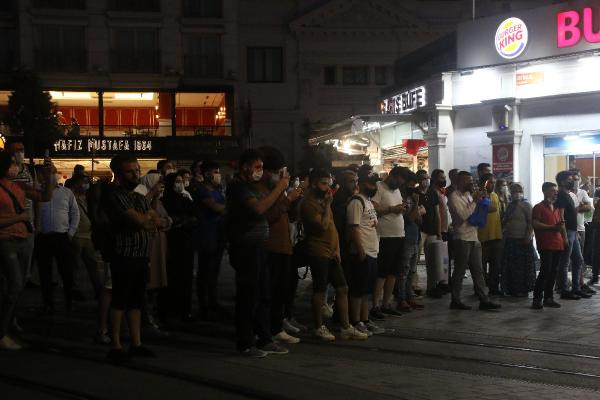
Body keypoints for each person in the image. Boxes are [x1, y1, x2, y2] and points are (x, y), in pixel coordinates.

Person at [225, 149, 289, 358]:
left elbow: (269, 211)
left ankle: (264, 338)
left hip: (260, 247)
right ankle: (245, 342)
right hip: (245, 248)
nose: (260, 172)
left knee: (263, 294)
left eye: (262, 167)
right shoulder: (238, 187)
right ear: (245, 167)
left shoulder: (253, 187)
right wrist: (280, 187)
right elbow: (259, 209)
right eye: (257, 167)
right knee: (248, 296)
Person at [300, 168, 367, 342]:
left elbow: (333, 228)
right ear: (314, 184)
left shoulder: (324, 201)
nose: (327, 188)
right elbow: (322, 226)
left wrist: (336, 249)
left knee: (342, 288)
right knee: (320, 290)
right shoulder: (308, 203)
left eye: (329, 184)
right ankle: (318, 326)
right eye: (323, 184)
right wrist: (328, 205)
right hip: (318, 251)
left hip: (332, 252)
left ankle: (346, 327)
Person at [106, 154, 159, 362]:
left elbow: (155, 219)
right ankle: (116, 345)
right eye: (130, 171)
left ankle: (136, 343)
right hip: (124, 254)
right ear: (118, 174)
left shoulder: (138, 196)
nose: (136, 174)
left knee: (136, 300)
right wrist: (147, 219)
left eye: (137, 170)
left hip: (140, 255)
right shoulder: (116, 195)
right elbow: (141, 221)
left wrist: (149, 219)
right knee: (120, 299)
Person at [0, 152, 52, 350]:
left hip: (21, 237)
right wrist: (20, 217)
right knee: (14, 284)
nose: (16, 166)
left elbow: (45, 196)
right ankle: (3, 331)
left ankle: (8, 323)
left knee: (16, 285)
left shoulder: (19, 186)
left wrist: (49, 177)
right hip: (5, 239)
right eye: (12, 163)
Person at [255, 147, 303, 344]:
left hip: (284, 247)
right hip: (270, 248)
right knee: (269, 293)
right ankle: (268, 331)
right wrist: (285, 199)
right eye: (275, 172)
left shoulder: (276, 190)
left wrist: (292, 200)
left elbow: (287, 215)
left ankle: (277, 326)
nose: (277, 176)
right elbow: (267, 217)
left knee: (281, 291)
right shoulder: (260, 191)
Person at [447, 171, 500, 311]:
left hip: (474, 236)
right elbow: (463, 215)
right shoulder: (453, 197)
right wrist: (476, 201)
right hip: (462, 237)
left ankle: (484, 299)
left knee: (478, 270)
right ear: (459, 182)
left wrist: (484, 200)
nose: (470, 183)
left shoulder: (469, 195)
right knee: (459, 270)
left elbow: (483, 210)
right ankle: (455, 300)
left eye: (471, 180)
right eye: (467, 181)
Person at [36, 165, 80, 315]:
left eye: (53, 172)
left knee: (66, 271)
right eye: (47, 173)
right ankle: (48, 303)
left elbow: (75, 214)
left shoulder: (66, 192)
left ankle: (69, 302)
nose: (51, 175)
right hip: (43, 237)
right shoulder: (37, 193)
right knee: (45, 273)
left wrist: (70, 233)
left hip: (62, 237)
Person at [347, 172, 383, 335]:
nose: (373, 187)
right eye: (370, 184)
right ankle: (355, 321)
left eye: (374, 184)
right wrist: (361, 251)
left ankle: (365, 319)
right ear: (360, 184)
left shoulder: (368, 201)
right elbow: (353, 228)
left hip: (372, 251)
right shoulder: (357, 201)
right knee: (357, 290)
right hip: (362, 253)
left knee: (366, 290)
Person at [135, 172, 171, 334]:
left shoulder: (156, 197)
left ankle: (151, 316)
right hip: (148, 245)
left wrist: (164, 222)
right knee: (147, 282)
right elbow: (150, 218)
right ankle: (145, 319)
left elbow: (164, 219)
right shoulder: (141, 195)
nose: (160, 186)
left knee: (155, 283)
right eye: (158, 183)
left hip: (158, 245)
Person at [161, 172, 197, 321]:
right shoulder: (163, 201)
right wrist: (181, 221)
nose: (180, 184)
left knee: (185, 278)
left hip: (186, 243)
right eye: (177, 181)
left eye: (181, 181)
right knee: (172, 277)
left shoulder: (185, 199)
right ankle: (170, 311)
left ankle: (184, 310)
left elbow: (195, 217)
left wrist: (179, 221)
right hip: (171, 243)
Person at [370, 167, 406, 318]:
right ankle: (375, 305)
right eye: (398, 180)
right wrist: (392, 209)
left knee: (393, 273)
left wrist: (402, 208)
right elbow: (373, 208)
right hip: (385, 236)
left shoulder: (396, 191)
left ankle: (386, 304)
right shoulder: (379, 187)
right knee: (382, 272)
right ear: (392, 176)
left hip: (399, 235)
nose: (399, 184)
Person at [193, 160, 226, 319]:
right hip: (206, 234)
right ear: (206, 174)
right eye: (215, 171)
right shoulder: (201, 190)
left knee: (215, 271)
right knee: (205, 271)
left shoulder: (218, 189)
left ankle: (213, 302)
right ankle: (203, 305)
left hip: (218, 235)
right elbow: (216, 207)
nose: (218, 175)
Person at [70, 175, 103, 309]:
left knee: (92, 266)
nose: (85, 185)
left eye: (86, 182)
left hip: (88, 236)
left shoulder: (91, 198)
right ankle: (74, 290)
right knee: (75, 266)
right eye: (83, 182)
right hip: (77, 236)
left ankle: (98, 291)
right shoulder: (71, 198)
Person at [555, 170, 589, 300]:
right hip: (567, 232)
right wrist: (564, 235)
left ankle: (576, 288)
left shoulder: (568, 195)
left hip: (573, 232)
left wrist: (575, 234)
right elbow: (561, 216)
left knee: (578, 259)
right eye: (570, 179)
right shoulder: (561, 196)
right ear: (563, 181)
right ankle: (564, 290)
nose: (573, 181)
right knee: (564, 262)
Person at [531, 182, 565, 309]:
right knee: (545, 271)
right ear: (544, 191)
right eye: (552, 190)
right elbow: (535, 224)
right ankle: (537, 299)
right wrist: (552, 227)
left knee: (553, 272)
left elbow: (560, 226)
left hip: (558, 244)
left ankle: (549, 298)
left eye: (556, 191)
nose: (555, 193)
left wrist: (564, 237)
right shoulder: (538, 207)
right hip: (545, 244)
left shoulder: (556, 208)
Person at [501, 183, 535, 297]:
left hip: (522, 240)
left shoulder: (526, 205)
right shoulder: (510, 205)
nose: (516, 193)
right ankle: (512, 289)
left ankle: (522, 289)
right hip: (511, 240)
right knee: (512, 267)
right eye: (514, 190)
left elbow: (531, 222)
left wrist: (527, 236)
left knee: (522, 267)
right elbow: (505, 220)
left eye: (519, 190)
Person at [397, 169, 424, 311]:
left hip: (415, 235)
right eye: (411, 184)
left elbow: (419, 220)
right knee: (404, 270)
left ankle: (409, 296)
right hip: (406, 236)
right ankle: (401, 298)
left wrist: (416, 209)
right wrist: (416, 204)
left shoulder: (412, 198)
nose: (413, 187)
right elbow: (409, 219)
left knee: (412, 269)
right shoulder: (401, 198)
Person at [416, 170, 445, 298]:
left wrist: (439, 231)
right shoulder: (415, 193)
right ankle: (414, 286)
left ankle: (432, 286)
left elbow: (437, 213)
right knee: (415, 259)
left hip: (432, 230)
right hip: (420, 230)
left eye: (427, 178)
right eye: (423, 178)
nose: (425, 181)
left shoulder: (432, 193)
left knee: (433, 260)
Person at [478, 173, 503, 295]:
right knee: (481, 266)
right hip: (482, 237)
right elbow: (483, 209)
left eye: (494, 182)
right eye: (490, 182)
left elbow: (497, 211)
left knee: (495, 265)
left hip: (496, 235)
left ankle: (494, 287)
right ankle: (480, 289)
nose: (493, 184)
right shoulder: (478, 195)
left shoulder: (495, 195)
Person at [571, 170, 595, 295]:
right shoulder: (566, 193)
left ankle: (580, 283)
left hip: (581, 229)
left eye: (578, 178)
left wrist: (576, 209)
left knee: (579, 258)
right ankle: (562, 285)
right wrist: (579, 208)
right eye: (574, 178)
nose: (576, 180)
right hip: (568, 229)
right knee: (566, 260)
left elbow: (589, 208)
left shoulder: (583, 192)